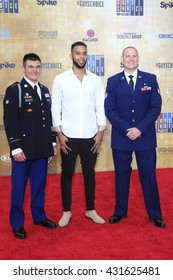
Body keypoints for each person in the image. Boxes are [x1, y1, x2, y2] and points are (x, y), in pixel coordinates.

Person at [104, 46, 166, 228]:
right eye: (127, 56)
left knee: (149, 177)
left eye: (134, 56)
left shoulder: (151, 79)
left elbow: (155, 107)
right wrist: (126, 129)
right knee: (121, 177)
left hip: (145, 137)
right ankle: (120, 211)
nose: (130, 59)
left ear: (138, 59)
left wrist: (139, 129)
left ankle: (155, 214)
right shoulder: (113, 81)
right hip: (121, 139)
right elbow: (110, 110)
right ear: (121, 59)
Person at [51, 41, 106, 227]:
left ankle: (90, 209)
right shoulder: (60, 79)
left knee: (89, 174)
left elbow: (100, 107)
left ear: (86, 56)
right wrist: (59, 133)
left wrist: (100, 133)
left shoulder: (96, 80)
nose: (81, 57)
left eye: (84, 53)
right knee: (67, 174)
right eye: (77, 53)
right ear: (71, 55)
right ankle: (66, 211)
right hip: (68, 137)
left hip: (91, 136)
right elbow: (55, 107)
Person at [3, 53, 57, 239]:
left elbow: (48, 119)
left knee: (39, 185)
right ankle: (17, 223)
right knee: (19, 188)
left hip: (41, 148)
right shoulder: (15, 90)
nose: (35, 70)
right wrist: (15, 148)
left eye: (37, 67)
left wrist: (51, 142)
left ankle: (39, 216)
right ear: (23, 68)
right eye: (31, 67)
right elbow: (10, 122)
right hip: (23, 151)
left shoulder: (44, 89)